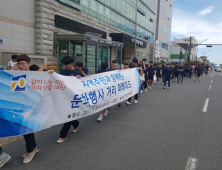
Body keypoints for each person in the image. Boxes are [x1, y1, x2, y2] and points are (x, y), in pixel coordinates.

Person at [16, 54, 40, 164]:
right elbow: (16, 92)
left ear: (28, 63)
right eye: (18, 63)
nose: (20, 66)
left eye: (22, 63)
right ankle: (34, 147)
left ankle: (30, 151)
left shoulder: (35, 76)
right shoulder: (17, 76)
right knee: (26, 129)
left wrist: (51, 73)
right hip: (21, 106)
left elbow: (50, 81)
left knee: (26, 129)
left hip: (32, 107)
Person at [57, 56, 82, 143]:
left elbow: (81, 86)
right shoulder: (63, 71)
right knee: (68, 115)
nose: (65, 66)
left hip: (73, 98)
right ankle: (76, 123)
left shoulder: (77, 73)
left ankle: (63, 135)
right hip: (64, 97)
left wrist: (79, 79)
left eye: (66, 65)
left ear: (71, 64)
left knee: (67, 116)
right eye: (63, 64)